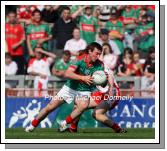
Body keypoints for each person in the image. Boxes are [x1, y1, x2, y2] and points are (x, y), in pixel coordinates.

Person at [25, 42, 104, 132]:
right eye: (96, 53)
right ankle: (33, 125)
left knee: (83, 106)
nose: (98, 56)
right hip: (70, 87)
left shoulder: (100, 65)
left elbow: (100, 80)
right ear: (90, 51)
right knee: (50, 107)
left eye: (99, 54)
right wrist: (82, 77)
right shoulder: (79, 58)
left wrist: (102, 82)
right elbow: (68, 73)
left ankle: (65, 124)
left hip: (84, 89)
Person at [59, 68, 126, 133]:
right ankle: (73, 129)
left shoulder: (101, 65)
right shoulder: (87, 66)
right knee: (79, 104)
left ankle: (118, 129)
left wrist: (110, 89)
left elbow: (110, 76)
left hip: (112, 93)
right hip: (100, 93)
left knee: (96, 114)